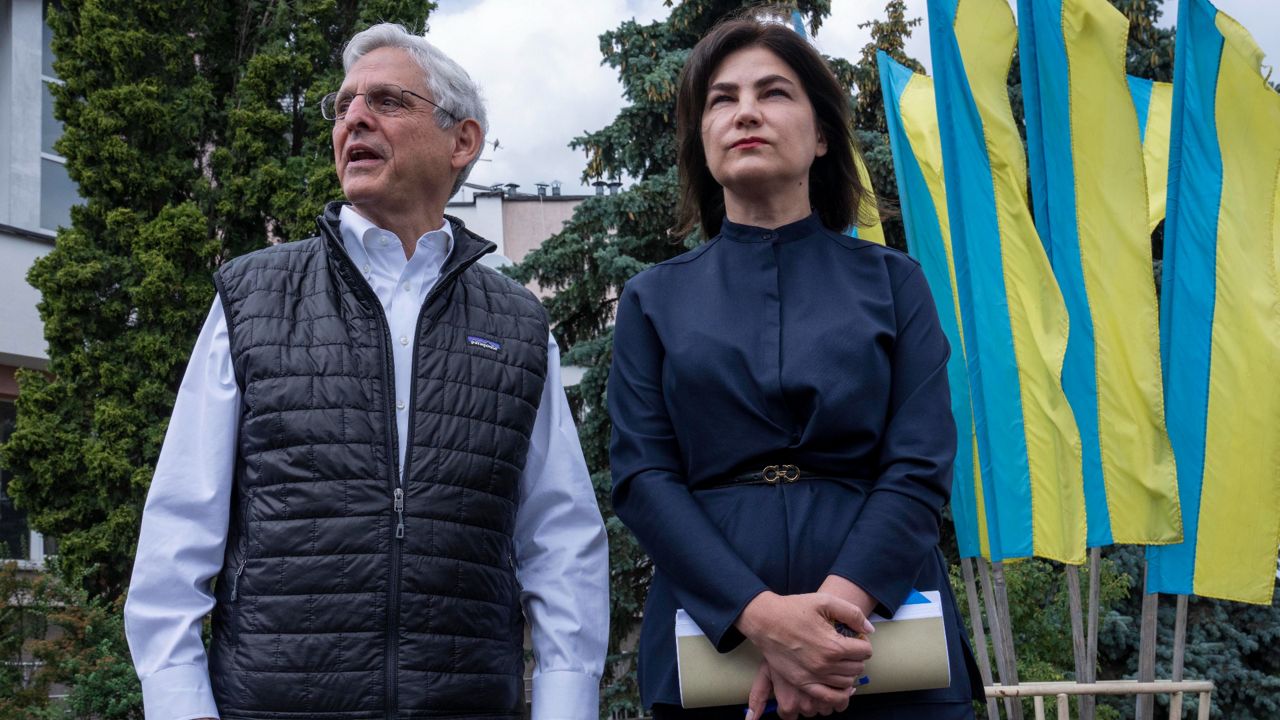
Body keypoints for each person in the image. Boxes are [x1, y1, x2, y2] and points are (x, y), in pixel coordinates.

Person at [123, 23, 609, 720]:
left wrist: (565, 705)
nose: (353, 117)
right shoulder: (253, 298)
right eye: (344, 103)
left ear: (461, 141)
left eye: (386, 100)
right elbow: (178, 532)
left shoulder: (519, 325)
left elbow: (561, 541)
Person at [608, 14, 984, 720]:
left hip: (887, 635)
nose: (745, 110)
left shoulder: (896, 283)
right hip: (715, 639)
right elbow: (642, 476)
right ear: (702, 142)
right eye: (722, 99)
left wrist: (829, 626)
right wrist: (761, 620)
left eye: (773, 92)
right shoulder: (652, 299)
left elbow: (920, 463)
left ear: (820, 137)